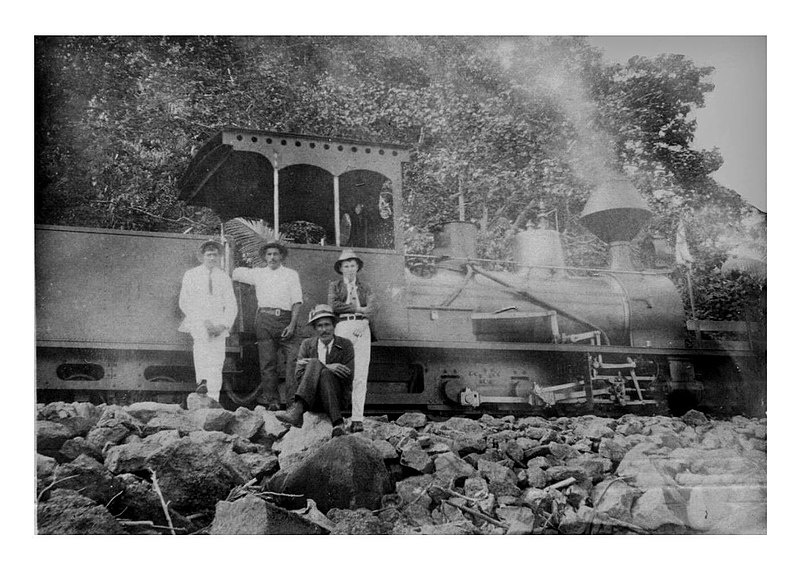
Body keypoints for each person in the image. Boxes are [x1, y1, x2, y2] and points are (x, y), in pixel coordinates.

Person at [232, 241, 302, 410]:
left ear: (281, 256)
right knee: (268, 363)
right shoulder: (258, 274)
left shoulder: (291, 274)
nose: (272, 257)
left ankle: (293, 404)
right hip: (264, 321)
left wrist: (292, 325)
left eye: (275, 254)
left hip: (285, 320)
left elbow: (297, 301)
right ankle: (273, 402)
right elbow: (235, 272)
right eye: (269, 254)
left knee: (294, 361)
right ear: (264, 257)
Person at [276, 304, 354, 438]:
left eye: (327, 325)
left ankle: (297, 410)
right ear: (314, 329)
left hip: (336, 398)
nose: (324, 330)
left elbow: (348, 374)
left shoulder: (345, 345)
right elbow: (299, 376)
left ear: (334, 326)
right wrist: (328, 366)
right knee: (317, 365)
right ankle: (337, 423)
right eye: (319, 326)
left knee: (319, 369)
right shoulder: (307, 345)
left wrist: (318, 367)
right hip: (311, 400)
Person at [178, 240, 238, 403]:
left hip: (218, 326)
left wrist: (222, 325)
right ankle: (202, 385)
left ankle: (214, 400)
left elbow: (231, 305)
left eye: (215, 255)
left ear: (219, 257)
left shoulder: (224, 277)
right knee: (202, 355)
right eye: (208, 254)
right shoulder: (191, 275)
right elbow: (185, 302)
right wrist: (203, 322)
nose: (212, 258)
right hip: (200, 324)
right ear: (202, 257)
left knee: (217, 362)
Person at [328, 249, 377, 433]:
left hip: (362, 329)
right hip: (342, 327)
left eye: (352, 265)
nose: (349, 269)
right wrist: (358, 308)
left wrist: (364, 322)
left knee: (361, 374)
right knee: (337, 371)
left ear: (357, 267)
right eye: (346, 265)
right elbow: (334, 305)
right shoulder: (335, 286)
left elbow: (372, 309)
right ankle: (336, 418)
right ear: (341, 268)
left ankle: (357, 418)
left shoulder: (367, 287)